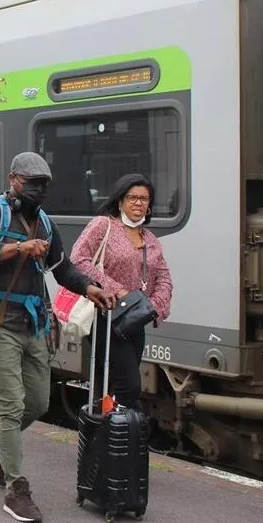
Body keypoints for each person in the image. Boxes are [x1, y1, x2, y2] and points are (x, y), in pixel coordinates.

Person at [0, 152, 113, 523]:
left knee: (38, 404)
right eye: (33, 183)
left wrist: (91, 288)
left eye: (45, 185)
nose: (39, 191)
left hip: (35, 326)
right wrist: (13, 249)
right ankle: (16, 490)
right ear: (14, 179)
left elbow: (63, 269)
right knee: (10, 407)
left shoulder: (44, 222)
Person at [70, 173, 174, 411]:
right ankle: (118, 430)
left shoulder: (150, 239)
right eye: (132, 198)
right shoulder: (103, 225)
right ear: (120, 201)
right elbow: (78, 260)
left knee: (110, 385)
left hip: (136, 320)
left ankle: (103, 437)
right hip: (106, 316)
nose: (139, 203)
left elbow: (164, 277)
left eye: (144, 199)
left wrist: (153, 306)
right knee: (129, 386)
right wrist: (119, 292)